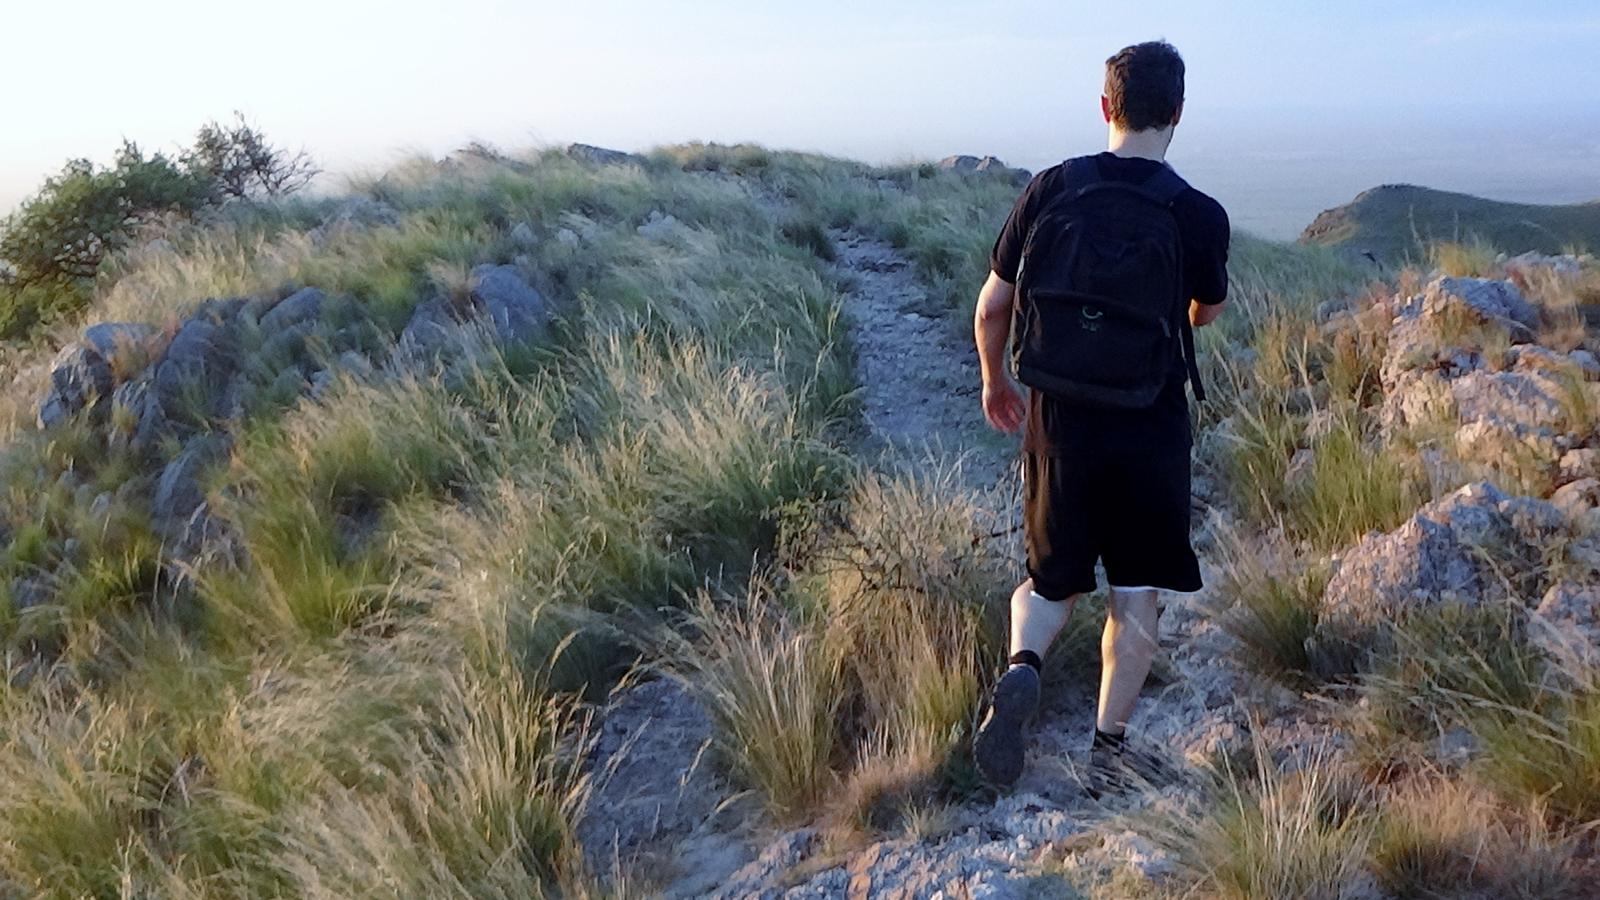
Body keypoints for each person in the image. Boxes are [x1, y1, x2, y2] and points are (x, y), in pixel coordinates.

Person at [969, 40, 1230, 792]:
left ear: (1105, 106)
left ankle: (1024, 664)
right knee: (1136, 591)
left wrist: (995, 381)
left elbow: (992, 306)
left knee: (1049, 582)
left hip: (1060, 417)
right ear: (1177, 112)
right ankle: (1107, 754)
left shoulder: (1052, 188)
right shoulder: (1197, 213)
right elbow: (1204, 311)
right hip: (1149, 422)